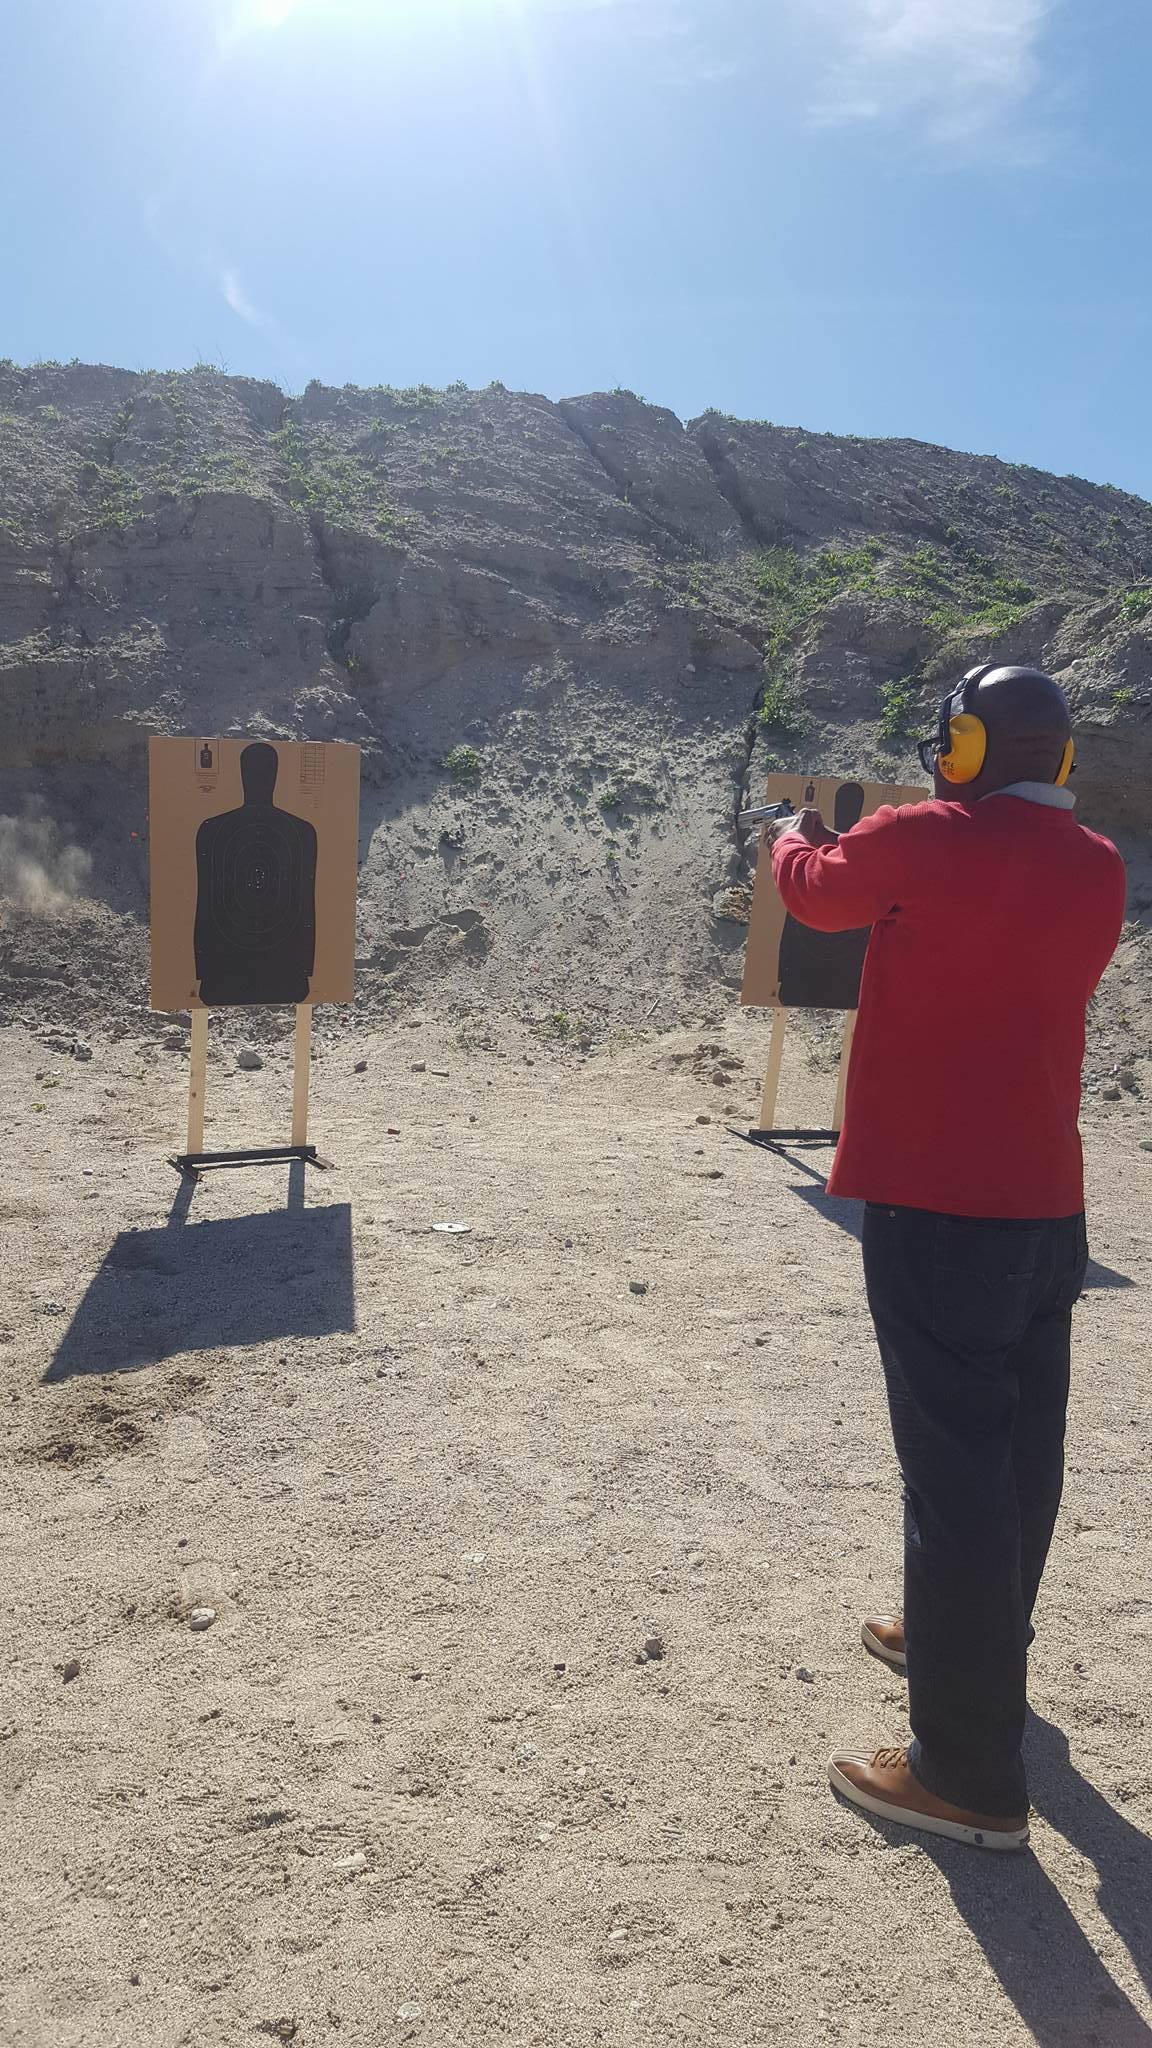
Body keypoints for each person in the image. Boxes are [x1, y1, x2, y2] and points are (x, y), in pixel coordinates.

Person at [764, 665, 1126, 1850]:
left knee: (955, 1472)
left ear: (965, 745)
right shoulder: (1103, 866)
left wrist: (787, 834)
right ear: (1062, 757)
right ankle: (972, 1640)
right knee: (1020, 1449)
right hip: (1045, 1207)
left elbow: (817, 896)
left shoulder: (921, 832)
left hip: (937, 1203)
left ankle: (966, 1771)